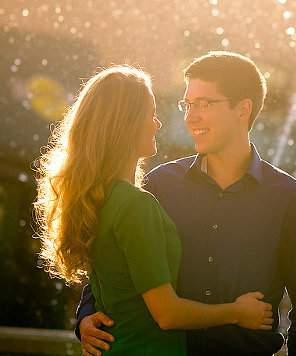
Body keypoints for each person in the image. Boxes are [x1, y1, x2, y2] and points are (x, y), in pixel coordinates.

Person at [77, 52, 296, 356]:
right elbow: (114, 265)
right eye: (188, 104)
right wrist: (85, 316)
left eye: (204, 104)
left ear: (242, 110)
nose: (189, 116)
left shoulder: (292, 199)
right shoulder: (158, 185)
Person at [34, 65, 273, 356]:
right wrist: (237, 312)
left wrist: (84, 317)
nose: (158, 124)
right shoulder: (136, 204)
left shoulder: (100, 197)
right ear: (127, 124)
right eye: (151, 114)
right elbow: (168, 314)